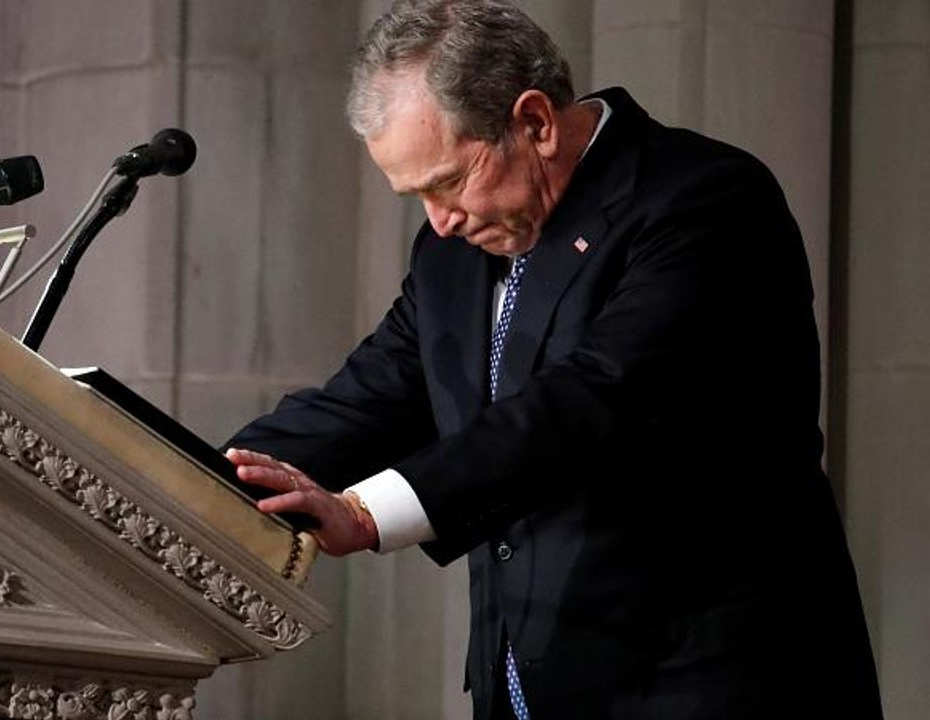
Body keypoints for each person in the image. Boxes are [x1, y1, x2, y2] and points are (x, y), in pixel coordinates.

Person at [223, 1, 883, 719]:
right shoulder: (451, 248)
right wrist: (193, 477)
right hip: (534, 681)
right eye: (417, 196)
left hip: (710, 679)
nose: (438, 220)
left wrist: (365, 513)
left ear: (535, 122)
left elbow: (593, 399)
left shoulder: (703, 198)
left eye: (447, 182)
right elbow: (372, 393)